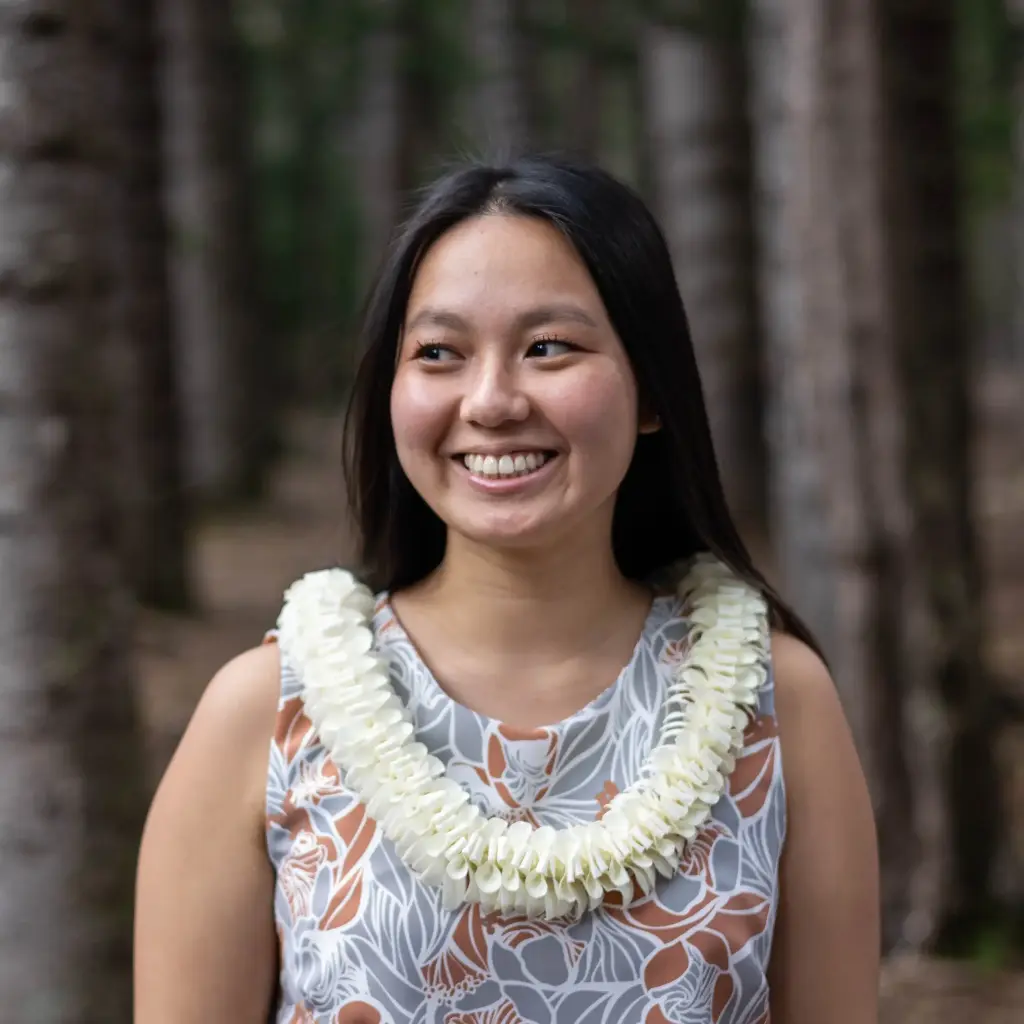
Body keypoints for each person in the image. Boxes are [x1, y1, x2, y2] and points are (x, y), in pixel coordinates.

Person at [134, 155, 879, 1023]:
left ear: (651, 390)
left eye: (548, 347)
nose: (490, 401)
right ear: (392, 390)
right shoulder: (267, 714)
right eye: (440, 352)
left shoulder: (777, 705)